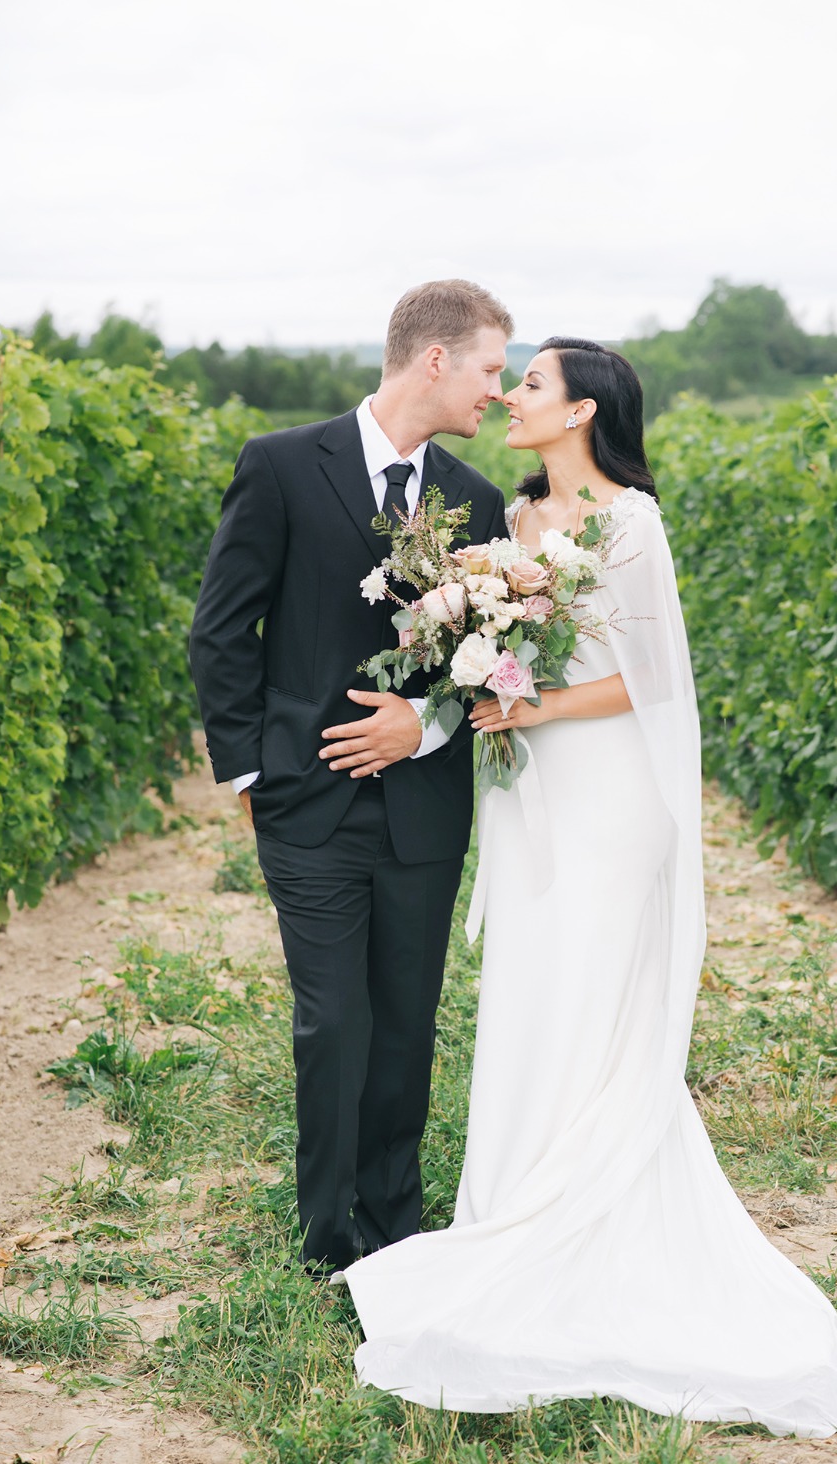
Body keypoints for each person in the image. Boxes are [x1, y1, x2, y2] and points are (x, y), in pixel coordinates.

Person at [337, 338, 837, 1437]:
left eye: (530, 384)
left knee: (591, 995)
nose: (510, 398)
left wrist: (525, 703)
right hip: (531, 793)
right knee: (533, 993)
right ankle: (510, 1205)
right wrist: (475, 659)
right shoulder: (516, 519)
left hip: (609, 801)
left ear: (582, 410)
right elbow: (505, 647)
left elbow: (651, 685)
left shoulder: (630, 523)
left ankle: (578, 1216)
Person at [189, 280, 514, 1272]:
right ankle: (327, 1238)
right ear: (434, 359)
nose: (495, 393)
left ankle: (395, 1230)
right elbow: (220, 630)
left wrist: (420, 726)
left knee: (407, 1021)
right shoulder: (284, 465)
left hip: (422, 808)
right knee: (335, 1022)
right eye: (491, 369)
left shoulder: (479, 500)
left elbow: (500, 667)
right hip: (306, 801)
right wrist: (252, 774)